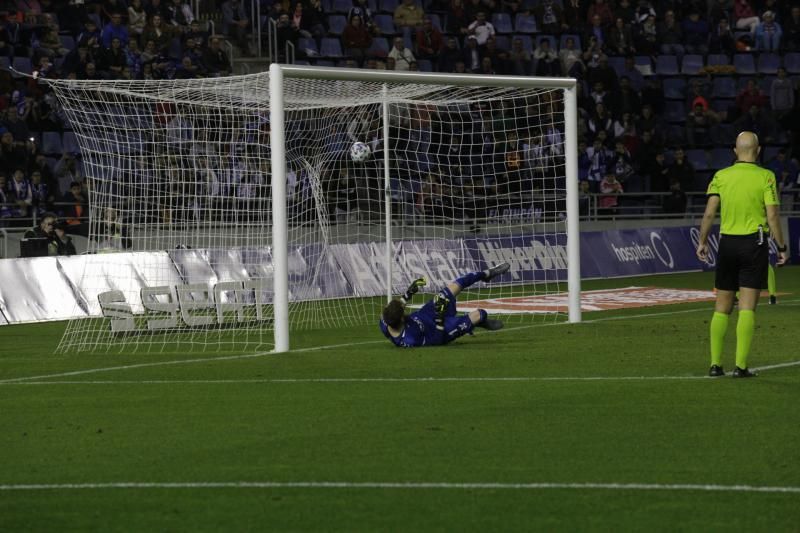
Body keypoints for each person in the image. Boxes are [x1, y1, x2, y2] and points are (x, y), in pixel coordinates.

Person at [696, 131, 789, 378]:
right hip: (753, 244)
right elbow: (772, 216)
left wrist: (702, 241)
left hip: (726, 244)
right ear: (757, 151)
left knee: (722, 306)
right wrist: (781, 246)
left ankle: (715, 365)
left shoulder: (721, 176)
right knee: (747, 307)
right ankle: (740, 366)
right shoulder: (766, 176)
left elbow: (709, 213)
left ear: (735, 151)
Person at [379, 263, 510, 348]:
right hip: (441, 328)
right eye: (403, 310)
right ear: (402, 318)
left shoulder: (385, 321)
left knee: (457, 284)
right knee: (480, 314)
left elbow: (397, 308)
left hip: (426, 313)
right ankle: (479, 322)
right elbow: (437, 340)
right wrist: (440, 316)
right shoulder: (411, 339)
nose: (403, 306)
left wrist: (410, 292)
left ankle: (487, 274)